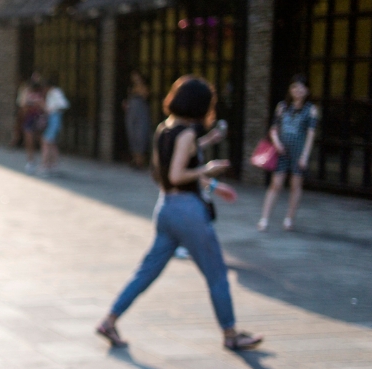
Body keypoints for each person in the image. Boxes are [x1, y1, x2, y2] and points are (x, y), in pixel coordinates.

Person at [96, 76, 263, 352]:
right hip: (188, 212)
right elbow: (178, 173)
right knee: (217, 274)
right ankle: (231, 334)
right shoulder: (186, 134)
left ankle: (109, 320)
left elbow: (162, 174)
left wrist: (211, 170)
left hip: (166, 208)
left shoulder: (164, 129)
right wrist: (206, 170)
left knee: (146, 272)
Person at [257, 75, 319, 231]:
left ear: (307, 90)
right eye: (294, 87)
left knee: (295, 185)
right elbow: (273, 129)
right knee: (275, 184)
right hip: (281, 150)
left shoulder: (311, 110)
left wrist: (305, 155)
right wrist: (277, 143)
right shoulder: (282, 107)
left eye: (301, 87)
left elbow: (311, 134)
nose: (297, 91)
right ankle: (264, 218)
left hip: (298, 151)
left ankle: (289, 219)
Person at [20, 74, 48, 174]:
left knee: (42, 140)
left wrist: (40, 103)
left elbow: (45, 106)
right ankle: (31, 161)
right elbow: (23, 105)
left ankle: (44, 162)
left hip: (40, 118)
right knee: (29, 140)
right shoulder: (26, 91)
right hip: (29, 118)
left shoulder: (43, 92)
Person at [41, 75, 69, 175]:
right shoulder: (51, 93)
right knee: (51, 143)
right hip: (53, 117)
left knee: (47, 142)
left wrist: (51, 109)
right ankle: (53, 165)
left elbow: (63, 105)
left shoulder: (55, 93)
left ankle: (46, 165)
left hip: (54, 117)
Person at [124, 70, 152, 169]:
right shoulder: (130, 87)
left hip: (141, 112)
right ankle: (135, 159)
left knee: (141, 135)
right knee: (132, 135)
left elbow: (145, 95)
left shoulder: (144, 87)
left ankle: (140, 161)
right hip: (131, 112)